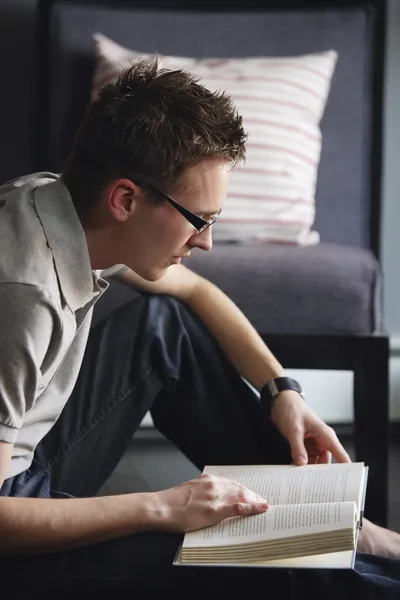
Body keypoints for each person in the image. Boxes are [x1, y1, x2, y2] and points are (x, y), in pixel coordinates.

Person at [0, 59, 399, 598]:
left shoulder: (62, 202)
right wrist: (164, 506)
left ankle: (341, 525)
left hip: (28, 454)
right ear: (126, 199)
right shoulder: (24, 299)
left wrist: (281, 389)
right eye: (200, 219)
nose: (207, 241)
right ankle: (329, 553)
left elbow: (195, 292)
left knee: (161, 325)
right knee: (267, 562)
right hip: (16, 529)